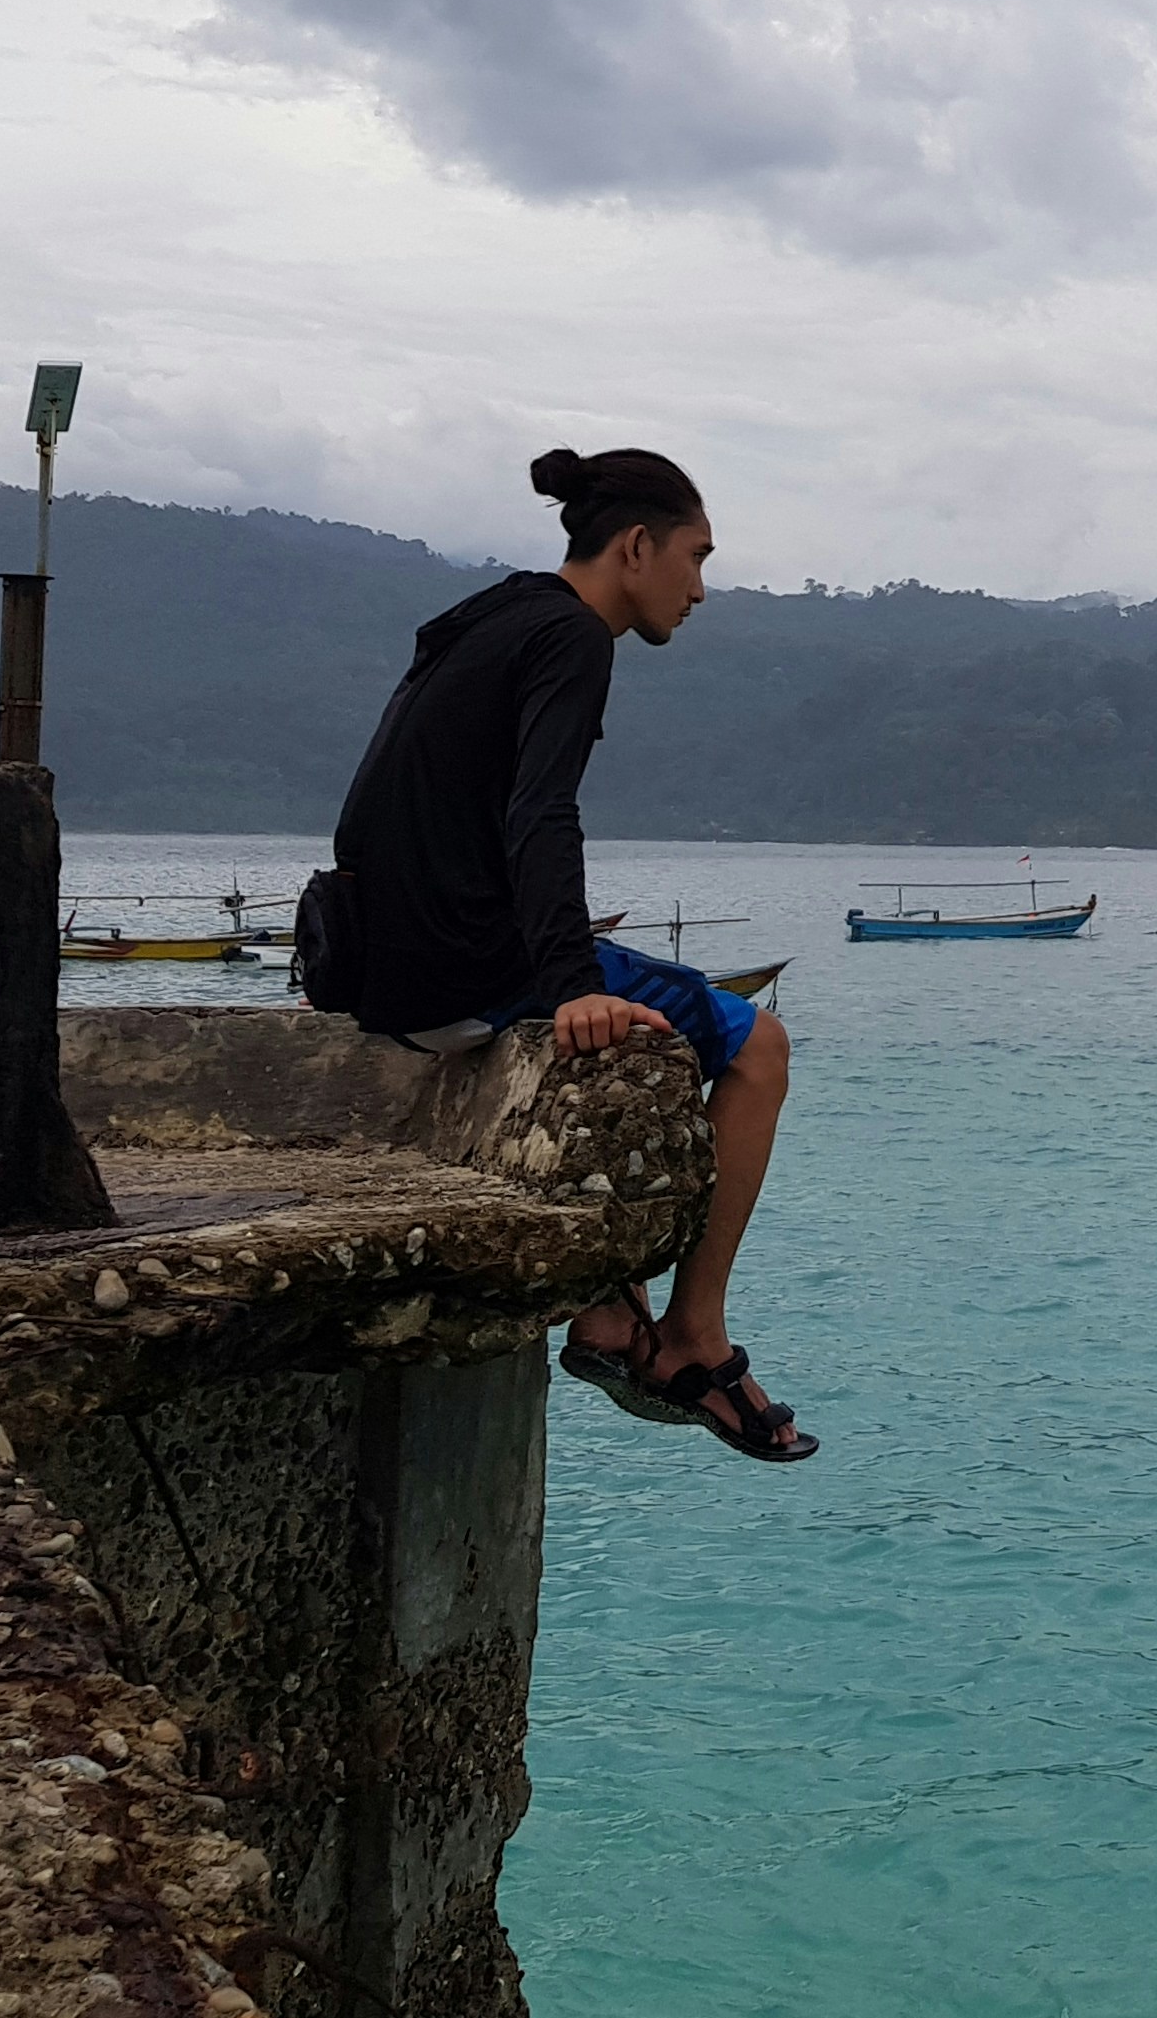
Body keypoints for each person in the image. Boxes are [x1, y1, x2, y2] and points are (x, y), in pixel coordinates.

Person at [324, 444, 814, 1464]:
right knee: (757, 1049)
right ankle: (692, 1334)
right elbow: (538, 813)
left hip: (381, 971)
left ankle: (603, 1310)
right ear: (636, 547)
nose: (701, 589)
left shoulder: (494, 614)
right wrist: (570, 984)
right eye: (696, 557)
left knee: (643, 1016)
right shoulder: (575, 639)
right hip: (474, 971)